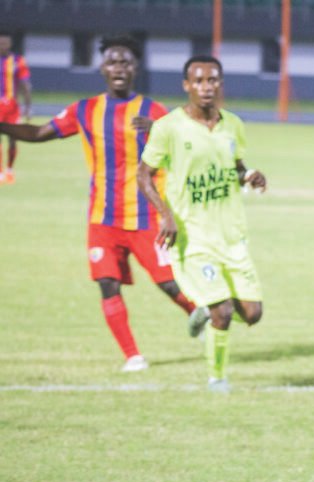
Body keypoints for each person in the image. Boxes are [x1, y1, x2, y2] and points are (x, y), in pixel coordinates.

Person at [0, 36, 200, 372]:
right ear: (103, 68)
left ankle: (198, 314)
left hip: (145, 216)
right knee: (107, 283)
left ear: (135, 68)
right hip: (102, 219)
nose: (119, 67)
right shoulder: (85, 110)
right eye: (112, 61)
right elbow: (39, 133)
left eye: (125, 62)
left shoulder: (153, 111)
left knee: (168, 284)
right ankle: (133, 356)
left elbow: (187, 145)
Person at [138, 55, 267, 393]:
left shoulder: (233, 124)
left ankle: (206, 313)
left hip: (232, 235)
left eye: (212, 80)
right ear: (187, 85)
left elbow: (236, 166)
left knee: (252, 314)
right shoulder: (168, 127)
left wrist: (250, 175)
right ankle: (216, 379)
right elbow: (143, 174)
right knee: (223, 311)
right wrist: (166, 215)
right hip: (192, 236)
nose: (206, 87)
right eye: (198, 81)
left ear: (220, 84)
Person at [0, 32, 32, 183]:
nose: (2, 46)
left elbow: (25, 84)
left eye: (5, 43)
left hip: (12, 106)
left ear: (10, 44)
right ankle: (0, 172)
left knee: (13, 138)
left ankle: (9, 169)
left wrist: (28, 106)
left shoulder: (18, 61)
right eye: (0, 43)